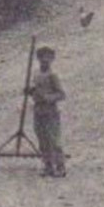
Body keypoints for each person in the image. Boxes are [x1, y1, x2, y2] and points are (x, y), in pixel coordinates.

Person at [27, 44, 68, 177]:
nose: (45, 60)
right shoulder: (36, 74)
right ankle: (48, 165)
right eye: (42, 58)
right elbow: (35, 91)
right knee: (42, 139)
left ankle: (60, 166)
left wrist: (47, 98)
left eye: (48, 58)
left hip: (51, 111)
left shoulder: (53, 75)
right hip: (38, 110)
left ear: (52, 59)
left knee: (54, 140)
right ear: (38, 59)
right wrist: (30, 92)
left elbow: (61, 94)